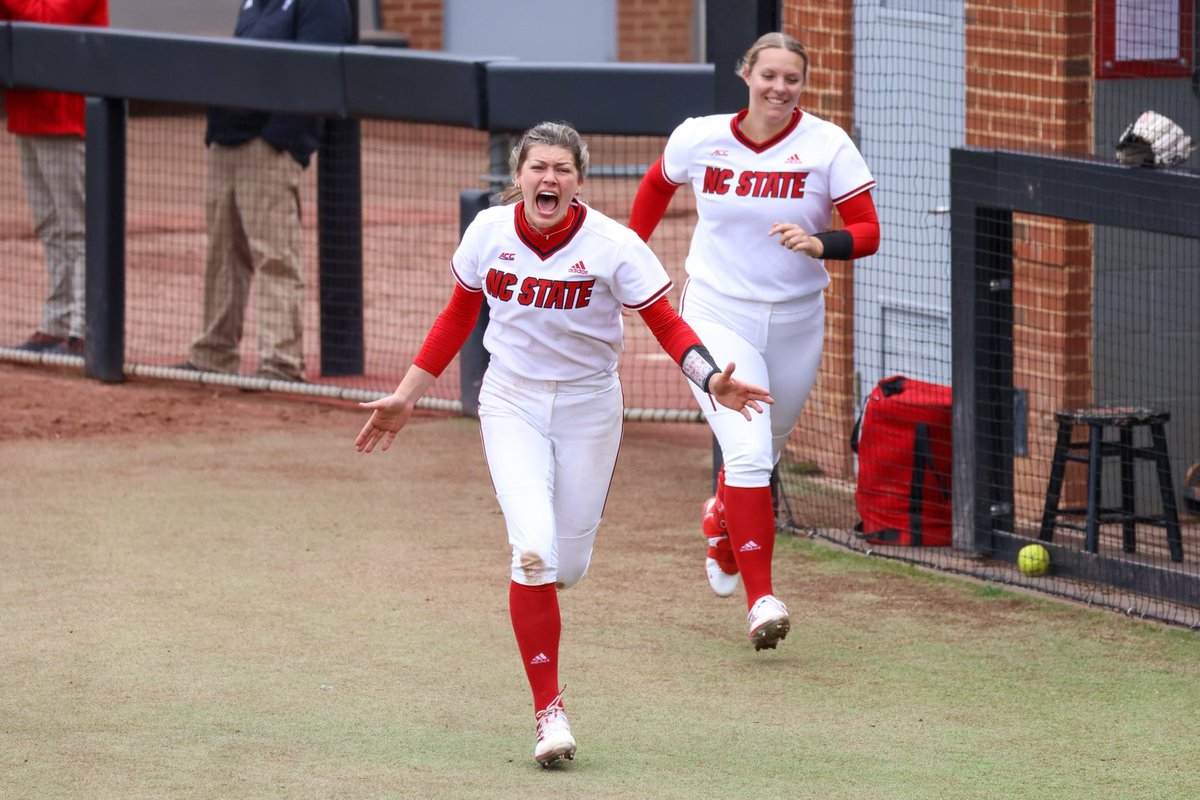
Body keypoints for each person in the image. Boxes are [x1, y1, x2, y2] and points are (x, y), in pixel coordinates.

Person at [355, 121, 773, 767]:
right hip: (510, 399)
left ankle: (590, 570)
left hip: (588, 406)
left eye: (562, 169)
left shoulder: (614, 244)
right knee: (532, 552)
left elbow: (665, 323)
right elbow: (458, 314)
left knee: (567, 567)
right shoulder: (488, 233)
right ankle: (548, 714)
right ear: (519, 175)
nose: (548, 178)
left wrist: (712, 377)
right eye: (538, 167)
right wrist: (407, 395)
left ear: (579, 180)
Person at [628, 32, 881, 651]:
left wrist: (820, 242)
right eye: (769, 75)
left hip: (797, 320)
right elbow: (656, 187)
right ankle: (762, 600)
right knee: (744, 454)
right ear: (746, 74)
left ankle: (721, 520)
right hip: (716, 314)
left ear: (803, 84)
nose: (779, 88)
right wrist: (628, 260)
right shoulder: (699, 137)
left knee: (763, 453)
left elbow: (869, 231)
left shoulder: (827, 144)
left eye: (792, 78)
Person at [179, 0, 352, 382]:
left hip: (268, 146)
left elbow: (316, 72)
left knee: (275, 255)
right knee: (223, 254)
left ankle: (280, 362)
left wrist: (280, 139)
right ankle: (214, 353)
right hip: (227, 140)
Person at [2, 0, 109, 356]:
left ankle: (84, 329)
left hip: (67, 116)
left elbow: (50, 19)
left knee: (77, 228)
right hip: (28, 110)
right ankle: (57, 323)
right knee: (50, 226)